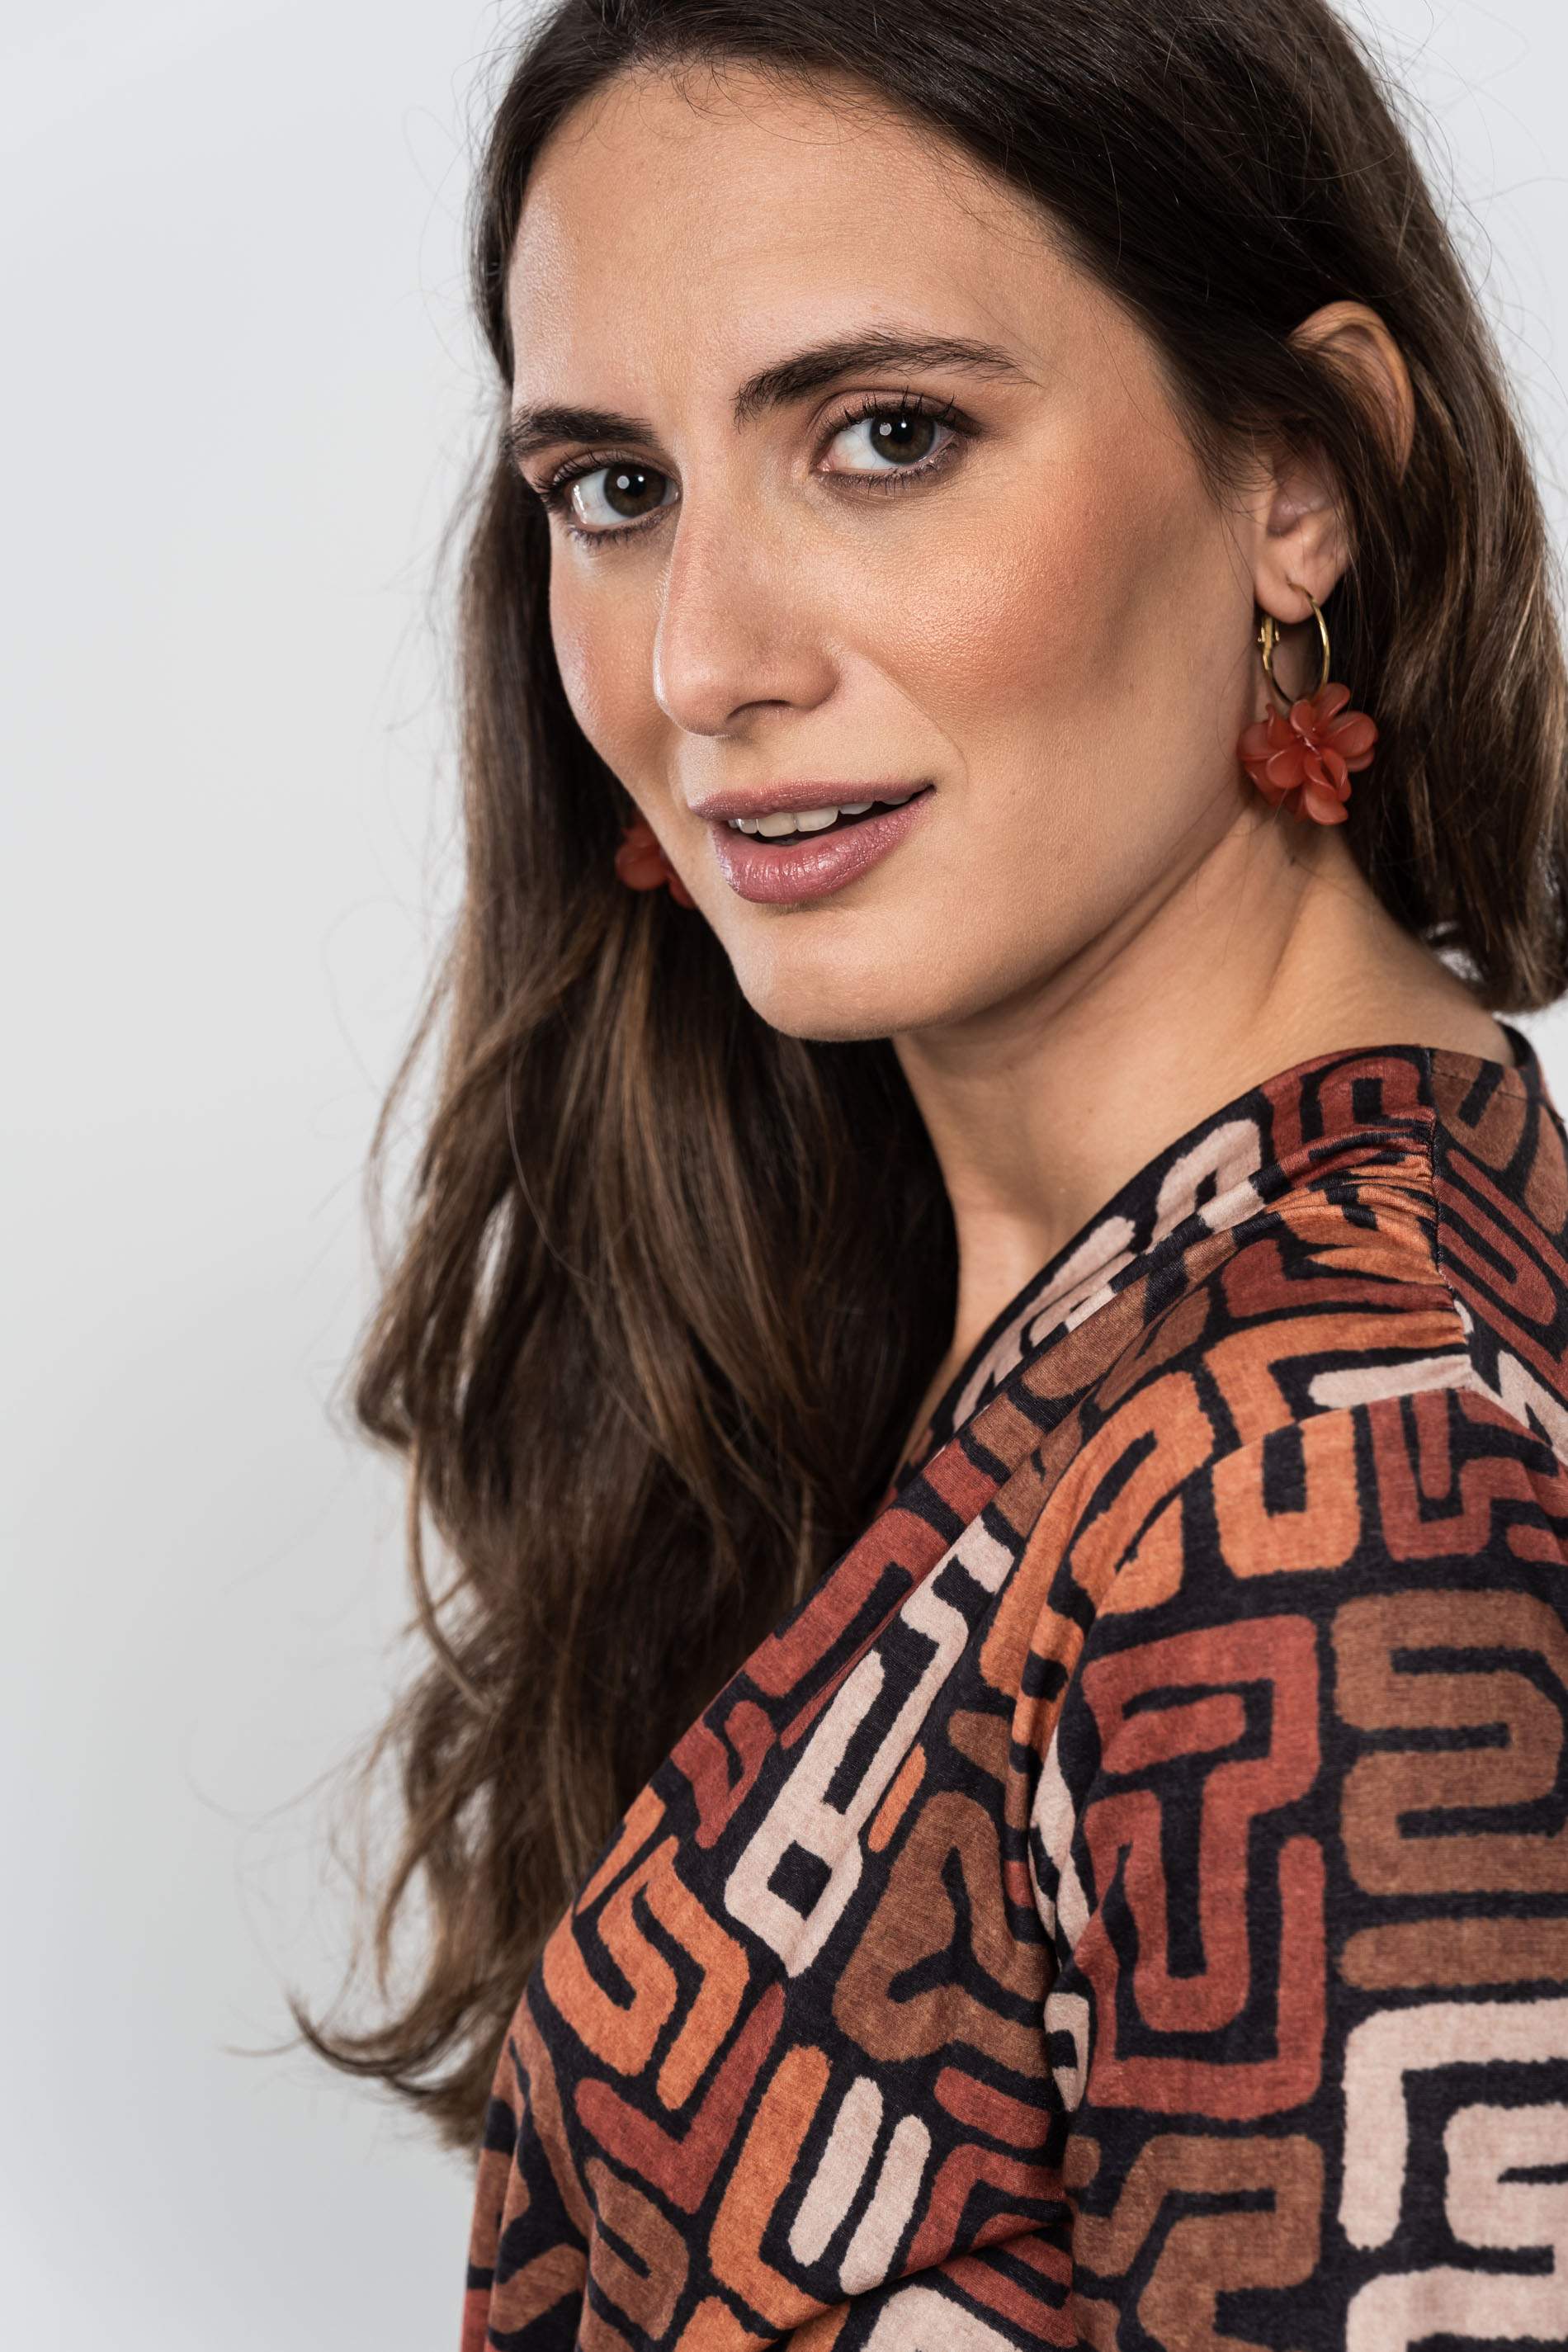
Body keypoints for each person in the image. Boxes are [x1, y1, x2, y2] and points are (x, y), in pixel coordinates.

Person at [300, 1, 1568, 2342]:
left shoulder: (1321, 1479)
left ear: (1297, 477)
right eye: (614, 489)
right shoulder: (975, 1286)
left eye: (887, 435)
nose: (702, 661)